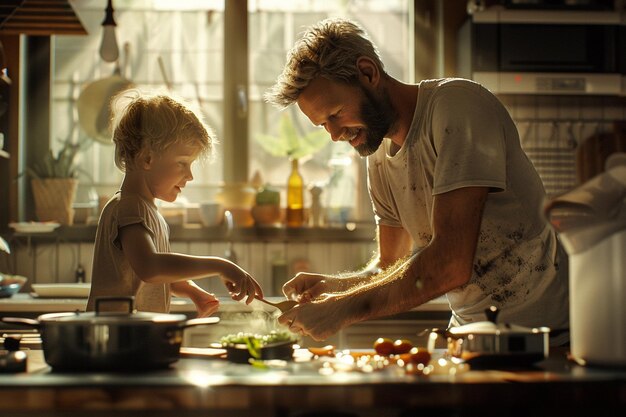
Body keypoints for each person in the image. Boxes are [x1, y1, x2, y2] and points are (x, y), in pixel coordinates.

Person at [265, 18, 569, 345]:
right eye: (324, 125)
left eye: (336, 113)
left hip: (545, 340)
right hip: (470, 339)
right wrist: (333, 288)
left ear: (368, 73)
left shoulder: (458, 107)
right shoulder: (379, 155)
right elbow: (388, 266)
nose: (336, 135)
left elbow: (449, 265)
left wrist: (341, 310)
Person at [87, 90, 263, 316]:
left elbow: (155, 277)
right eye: (182, 163)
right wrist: (221, 265)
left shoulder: (148, 211)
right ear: (147, 158)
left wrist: (191, 291)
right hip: (116, 340)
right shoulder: (129, 208)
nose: (189, 176)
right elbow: (150, 268)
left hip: (133, 338)